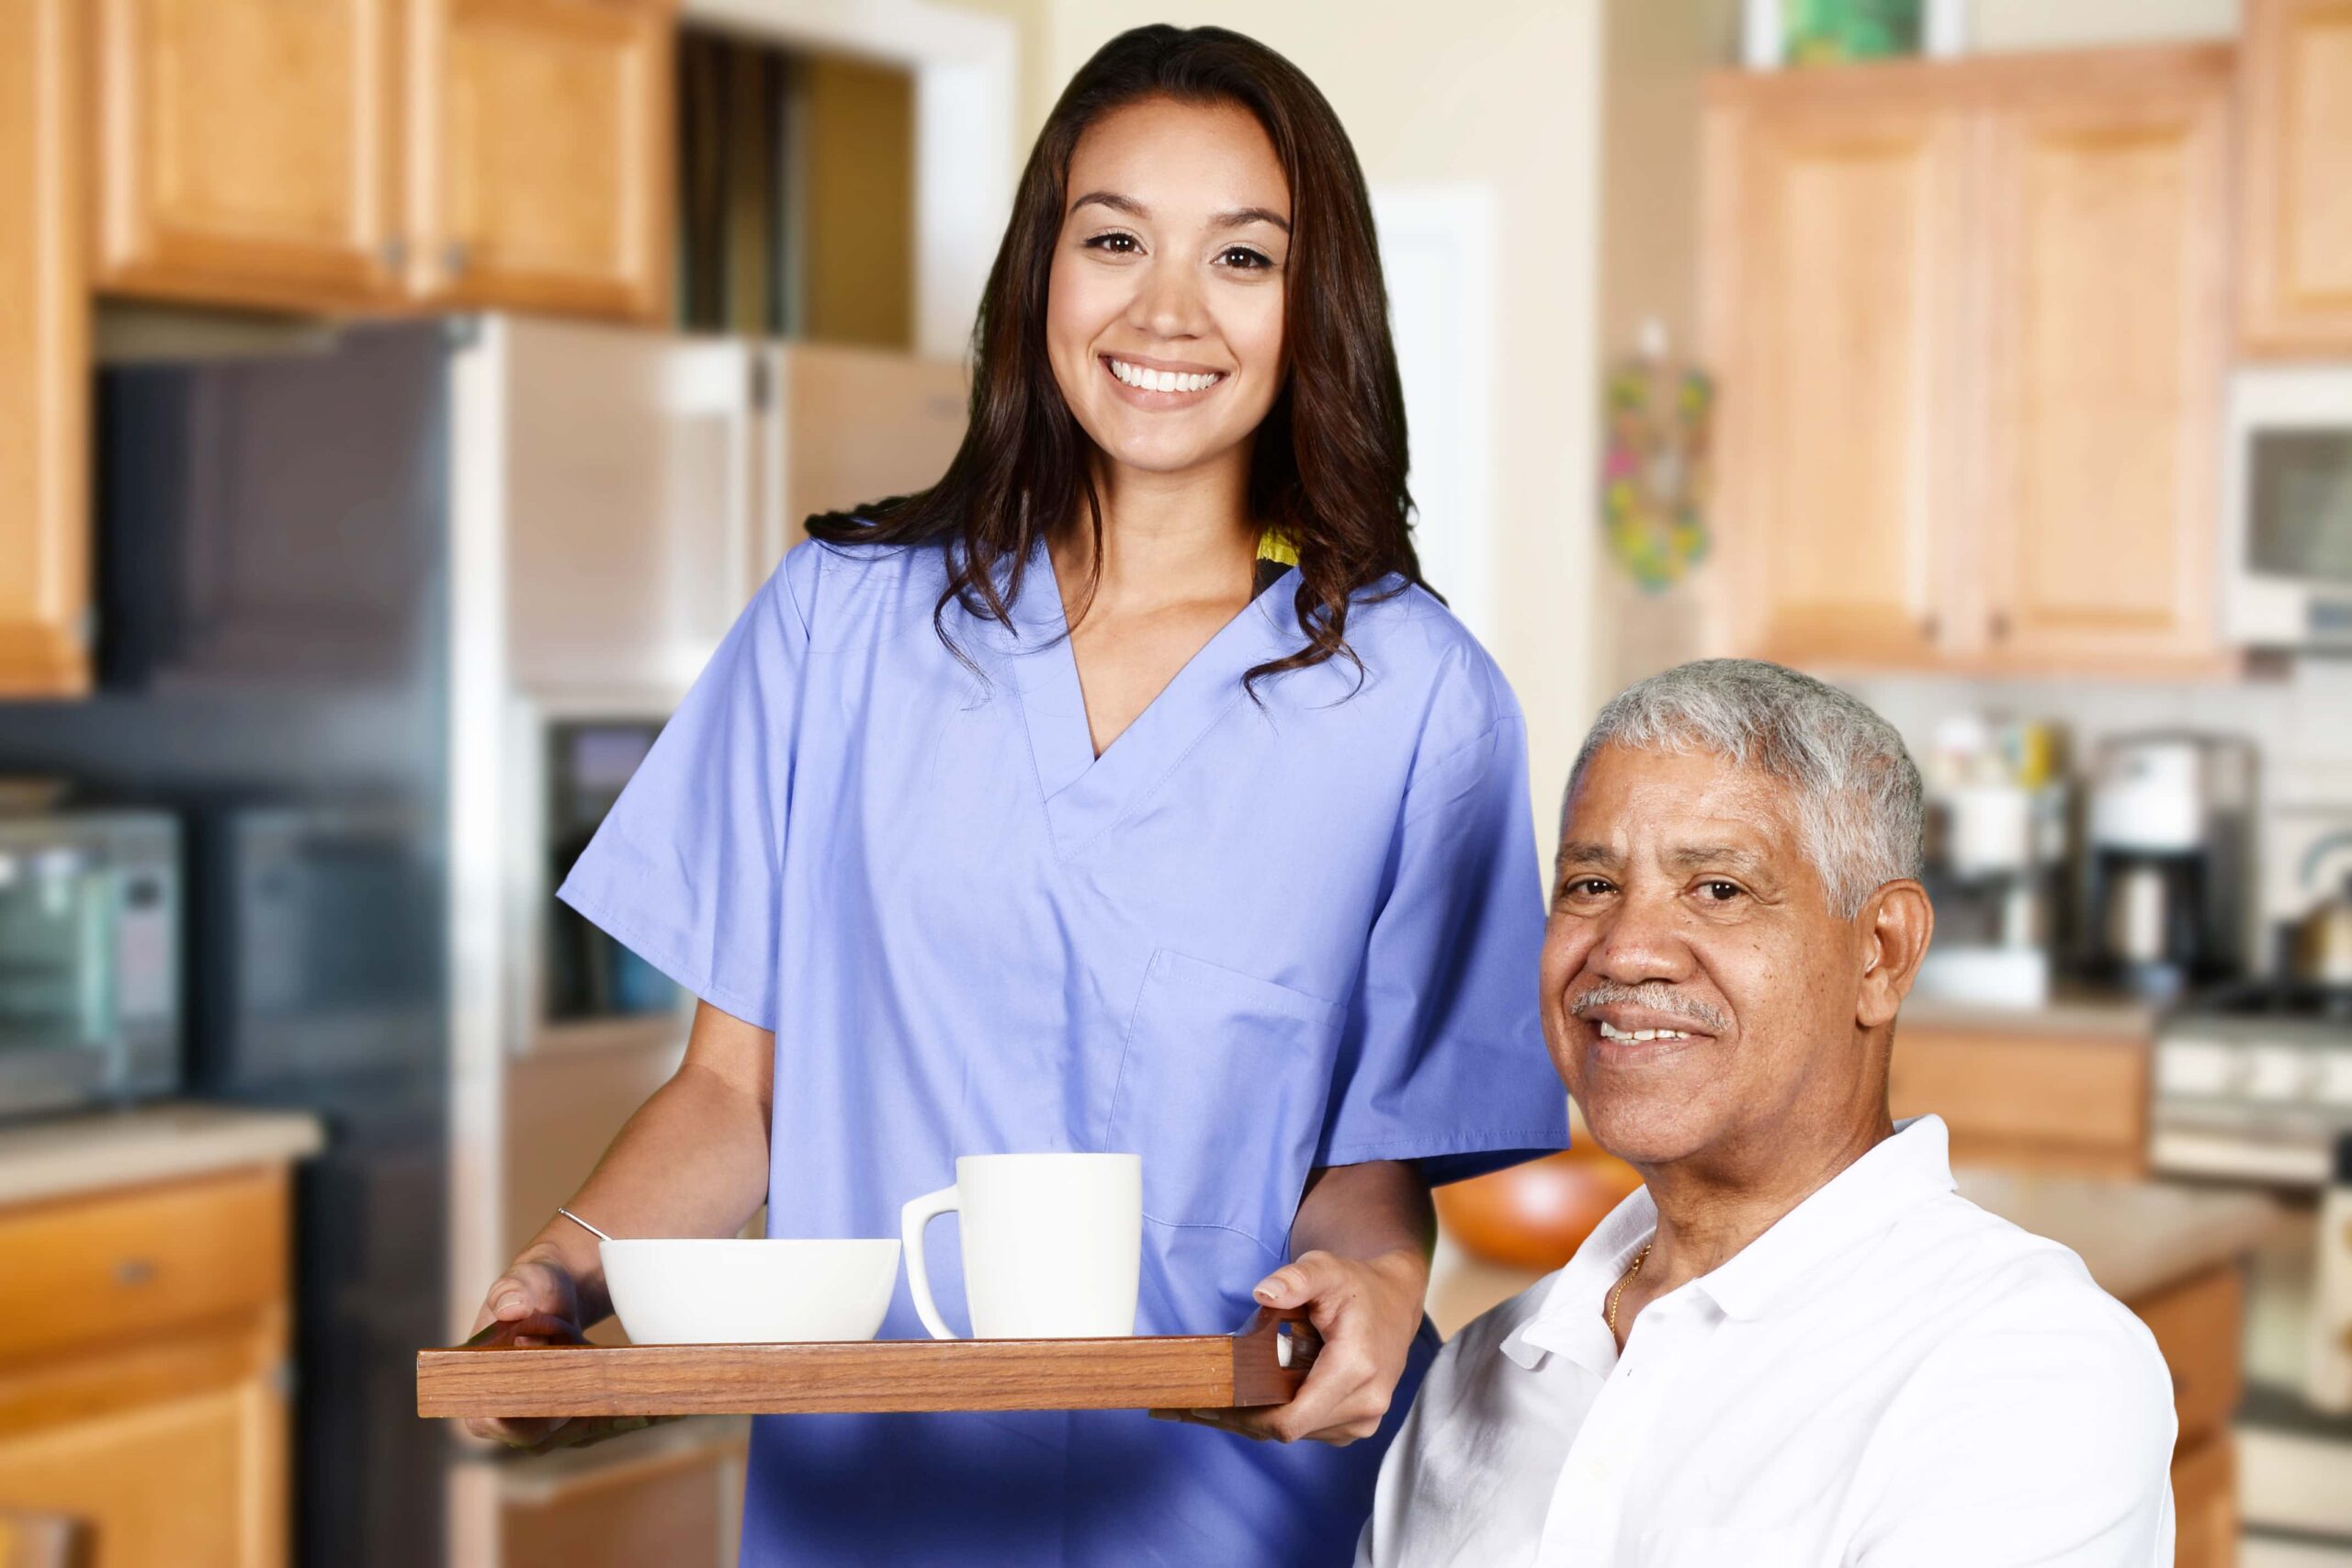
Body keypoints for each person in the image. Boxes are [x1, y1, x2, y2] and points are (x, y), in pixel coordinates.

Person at [463, 23, 1570, 1567]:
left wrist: (1380, 1287)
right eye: (1113, 239)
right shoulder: (839, 623)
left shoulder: (1416, 699)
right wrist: (563, 1276)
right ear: (1039, 274)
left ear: (1313, 308)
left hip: (1236, 1513)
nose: (1166, 310)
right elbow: (736, 1092)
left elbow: (1365, 1171)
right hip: (871, 1508)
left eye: (1243, 259)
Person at [1361, 659, 2177, 1567]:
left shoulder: (2025, 1363)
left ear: (1881, 953)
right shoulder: (1475, 1377)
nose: (1626, 952)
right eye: (1591, 885)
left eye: (1718, 890)